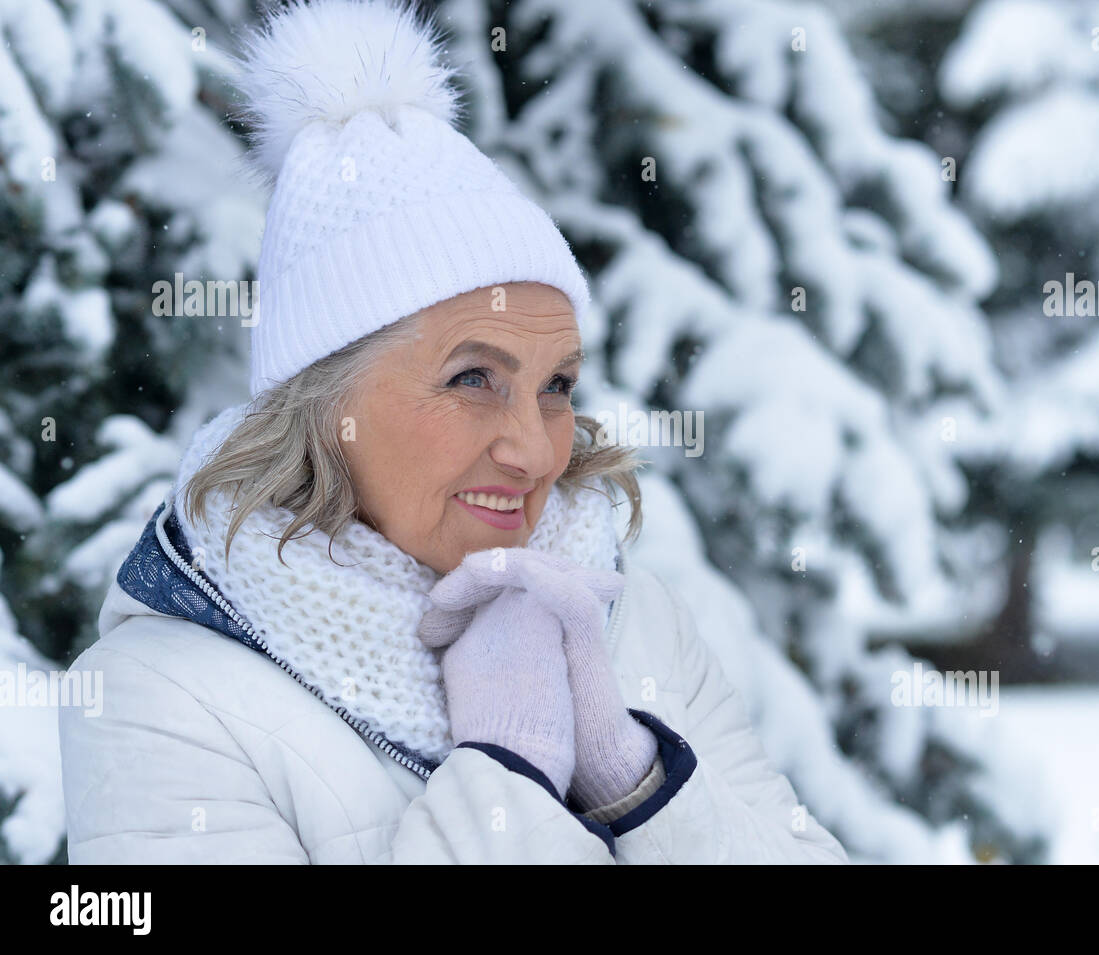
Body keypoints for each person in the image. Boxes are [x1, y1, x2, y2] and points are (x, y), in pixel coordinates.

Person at [57, 0, 848, 864]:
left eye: (556, 386)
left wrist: (636, 784)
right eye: (473, 378)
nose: (538, 449)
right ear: (322, 401)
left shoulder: (627, 618)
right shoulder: (160, 699)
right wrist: (507, 772)